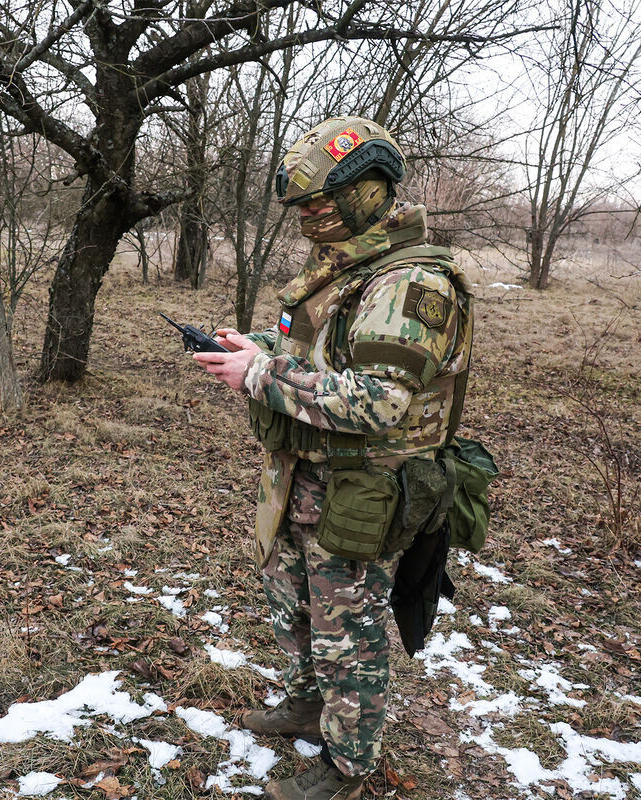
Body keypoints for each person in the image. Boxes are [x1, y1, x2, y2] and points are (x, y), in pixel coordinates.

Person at [193, 116, 474, 800]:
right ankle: (305, 705)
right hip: (303, 475)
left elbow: (378, 403)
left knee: (347, 636)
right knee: (292, 605)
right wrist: (254, 346)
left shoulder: (411, 284)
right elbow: (323, 353)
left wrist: (261, 374)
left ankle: (350, 767)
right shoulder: (347, 265)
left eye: (320, 203)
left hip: (360, 489)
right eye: (302, 208)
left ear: (370, 189)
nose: (309, 218)